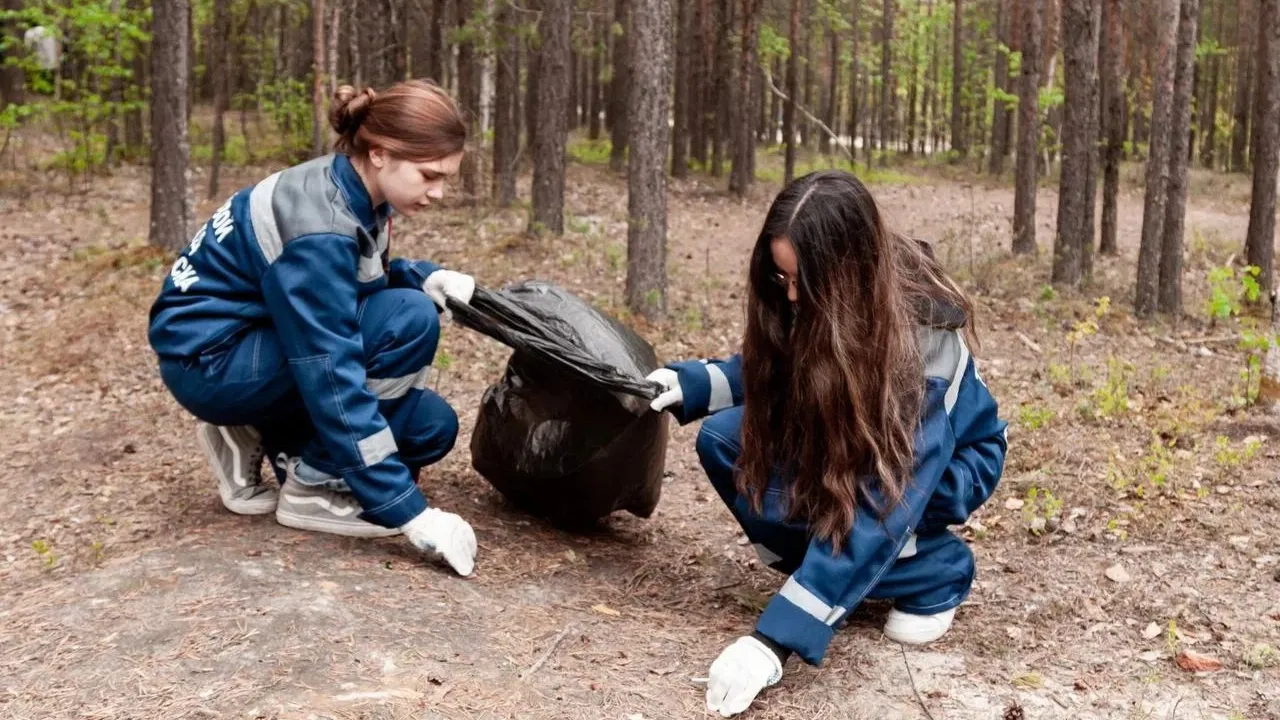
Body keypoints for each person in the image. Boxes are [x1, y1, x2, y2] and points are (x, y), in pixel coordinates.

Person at [646, 170, 1008, 717]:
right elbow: (781, 364)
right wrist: (694, 384)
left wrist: (772, 642)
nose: (790, 295)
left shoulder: (922, 351)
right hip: (849, 432)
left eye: (801, 282)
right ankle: (821, 578)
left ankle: (937, 570)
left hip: (948, 461)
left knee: (873, 514)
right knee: (726, 440)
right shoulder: (818, 298)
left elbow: (879, 503)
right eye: (781, 277)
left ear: (846, 272)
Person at [147, 81, 479, 577]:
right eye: (429, 175)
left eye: (446, 177)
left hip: (258, 339)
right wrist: (407, 512)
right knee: (408, 319)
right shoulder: (319, 227)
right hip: (211, 361)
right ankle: (312, 488)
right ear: (381, 153)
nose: (438, 192)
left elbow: (348, 287)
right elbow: (329, 366)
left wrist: (422, 275)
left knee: (430, 428)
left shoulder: (354, 190)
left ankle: (253, 429)